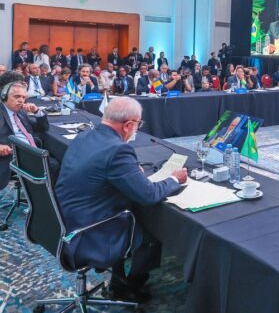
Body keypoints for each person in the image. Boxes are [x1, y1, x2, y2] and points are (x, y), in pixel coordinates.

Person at [55, 97, 187, 302]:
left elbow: (98, 171)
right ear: (128, 125)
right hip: (89, 231)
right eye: (138, 124)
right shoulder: (118, 150)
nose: (136, 129)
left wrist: (130, 172)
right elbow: (149, 195)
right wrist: (174, 179)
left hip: (64, 220)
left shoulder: (84, 136)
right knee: (152, 225)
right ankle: (130, 283)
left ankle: (120, 276)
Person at [0, 78, 50, 189]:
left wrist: (36, 111)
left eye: (23, 97)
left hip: (31, 152)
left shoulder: (21, 111)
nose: (21, 100)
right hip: (12, 156)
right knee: (54, 165)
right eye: (17, 96)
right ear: (4, 97)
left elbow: (43, 128)